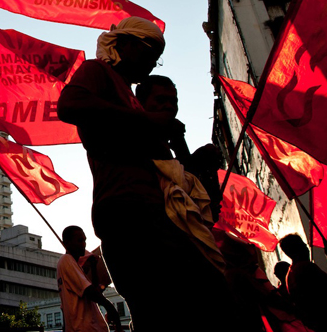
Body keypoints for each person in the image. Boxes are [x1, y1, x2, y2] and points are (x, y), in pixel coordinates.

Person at [57, 17, 237, 332]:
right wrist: (150, 122)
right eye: (149, 51)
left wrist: (198, 165)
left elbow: (166, 170)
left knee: (200, 304)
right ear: (124, 44)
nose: (153, 62)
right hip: (128, 210)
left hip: (160, 214)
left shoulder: (133, 99)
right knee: (185, 304)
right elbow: (70, 104)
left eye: (158, 56)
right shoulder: (99, 72)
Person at [135, 75, 224, 221]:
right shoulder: (135, 134)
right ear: (141, 103)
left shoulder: (168, 138)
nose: (169, 106)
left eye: (173, 101)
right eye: (161, 100)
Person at [279, 234, 327, 332]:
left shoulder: (290, 275)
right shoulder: (305, 268)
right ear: (296, 251)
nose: (307, 248)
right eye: (303, 246)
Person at [57, 226, 121, 332]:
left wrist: (93, 267)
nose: (83, 244)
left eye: (84, 240)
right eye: (79, 240)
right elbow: (91, 292)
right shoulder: (66, 260)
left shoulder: (74, 266)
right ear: (67, 243)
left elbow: (96, 290)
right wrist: (110, 308)